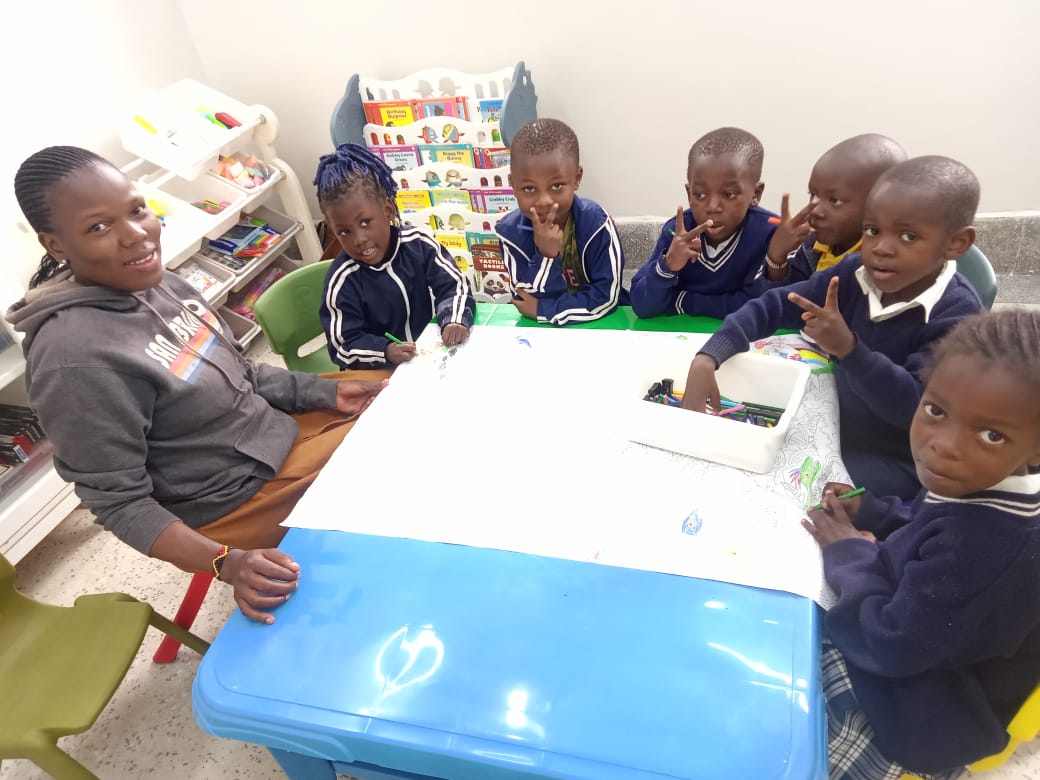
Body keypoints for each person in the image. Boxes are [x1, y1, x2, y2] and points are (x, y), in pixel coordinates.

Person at [6, 145, 389, 624]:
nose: (136, 237)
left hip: (271, 436)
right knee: (399, 456)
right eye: (99, 227)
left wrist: (324, 392)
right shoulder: (73, 361)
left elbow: (241, 372)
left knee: (405, 394)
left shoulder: (160, 283)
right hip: (233, 500)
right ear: (56, 245)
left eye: (137, 210)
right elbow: (120, 502)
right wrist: (225, 562)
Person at [803, 308, 1040, 778]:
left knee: (779, 715)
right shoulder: (982, 476)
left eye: (991, 434)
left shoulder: (988, 549)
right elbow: (926, 513)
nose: (944, 445)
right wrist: (873, 511)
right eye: (935, 410)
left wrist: (849, 551)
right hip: (917, 643)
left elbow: (890, 645)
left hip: (922, 716)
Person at [683, 156, 984, 500]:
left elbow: (916, 410)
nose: (882, 248)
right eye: (872, 231)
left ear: (956, 243)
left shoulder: (959, 317)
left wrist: (851, 351)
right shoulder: (856, 270)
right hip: (835, 418)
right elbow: (776, 304)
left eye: (908, 236)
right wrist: (710, 355)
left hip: (897, 458)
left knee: (785, 491)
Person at [315, 143, 475, 368]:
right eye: (344, 232)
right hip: (376, 371)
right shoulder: (342, 281)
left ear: (388, 211)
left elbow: (454, 284)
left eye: (365, 222)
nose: (358, 239)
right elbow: (343, 345)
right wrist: (385, 351)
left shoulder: (418, 244)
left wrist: (454, 319)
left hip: (426, 358)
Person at [630, 127, 778, 319]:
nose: (713, 207)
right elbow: (642, 307)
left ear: (755, 194)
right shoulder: (676, 232)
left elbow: (759, 306)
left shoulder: (768, 233)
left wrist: (683, 301)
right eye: (699, 195)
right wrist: (668, 266)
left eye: (728, 195)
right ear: (688, 192)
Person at [494, 118, 628, 325]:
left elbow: (607, 297)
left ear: (576, 179)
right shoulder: (509, 233)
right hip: (540, 332)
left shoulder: (597, 224)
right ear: (513, 185)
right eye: (529, 189)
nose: (544, 201)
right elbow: (524, 298)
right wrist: (546, 256)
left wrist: (545, 310)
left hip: (600, 325)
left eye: (556, 186)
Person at [761, 133, 907, 287]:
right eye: (813, 195)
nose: (815, 210)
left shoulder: (883, 264)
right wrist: (776, 258)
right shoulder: (813, 247)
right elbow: (778, 304)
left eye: (835, 201)